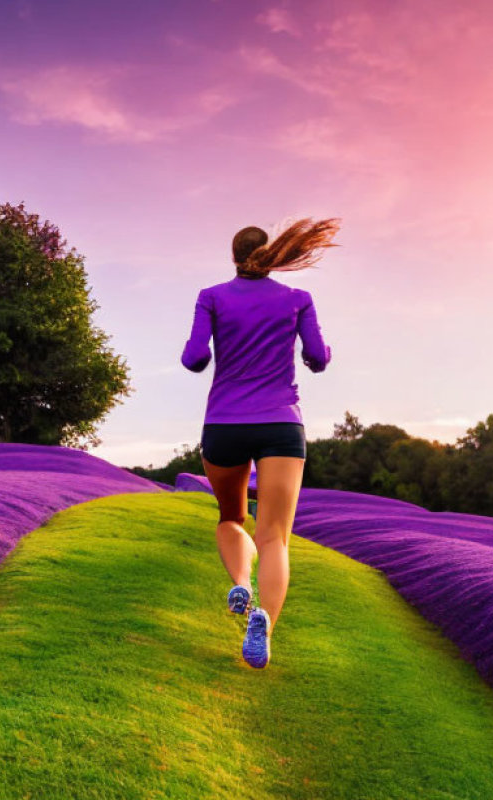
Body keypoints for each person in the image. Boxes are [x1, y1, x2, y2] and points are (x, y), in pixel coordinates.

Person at [180, 218, 338, 668]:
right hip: (281, 426)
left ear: (233, 257)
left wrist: (208, 353)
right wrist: (314, 356)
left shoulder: (211, 297)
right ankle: (264, 619)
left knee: (231, 517)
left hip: (225, 423)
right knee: (275, 537)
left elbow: (193, 358)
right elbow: (319, 358)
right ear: (271, 256)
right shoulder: (297, 300)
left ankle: (242, 588)